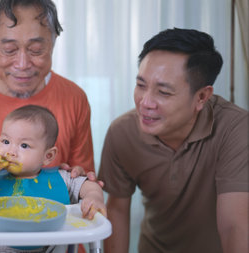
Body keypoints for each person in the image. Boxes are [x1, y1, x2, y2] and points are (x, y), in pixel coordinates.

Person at [98, 28, 248, 253]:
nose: (145, 103)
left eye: (163, 92)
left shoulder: (235, 129)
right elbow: (117, 210)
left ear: (201, 97)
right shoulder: (122, 133)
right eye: (141, 85)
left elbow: (233, 226)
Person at [0, 0, 95, 192]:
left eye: (36, 50)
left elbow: (82, 182)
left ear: (53, 44)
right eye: (9, 50)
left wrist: (80, 181)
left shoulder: (73, 98)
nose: (22, 64)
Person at [0, 104, 106, 253]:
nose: (11, 152)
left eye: (24, 145)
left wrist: (94, 196)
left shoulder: (61, 178)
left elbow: (87, 185)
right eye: (5, 142)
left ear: (48, 156)